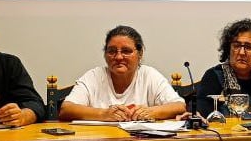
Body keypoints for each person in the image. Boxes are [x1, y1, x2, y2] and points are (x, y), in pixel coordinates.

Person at [58, 25, 186, 121]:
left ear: (140, 54)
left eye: (126, 51)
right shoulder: (95, 76)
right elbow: (66, 109)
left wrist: (150, 112)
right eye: (112, 51)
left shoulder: (149, 75)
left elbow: (179, 106)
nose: (118, 57)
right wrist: (103, 114)